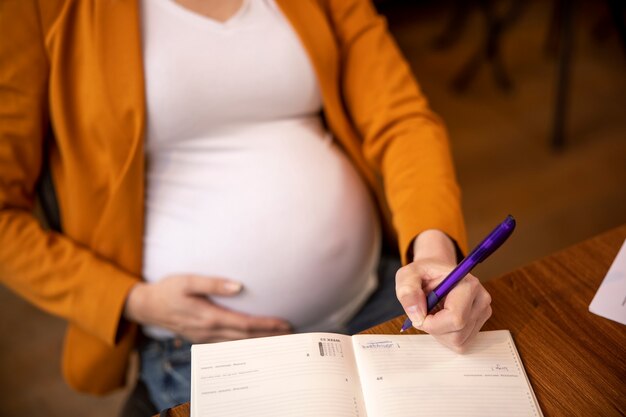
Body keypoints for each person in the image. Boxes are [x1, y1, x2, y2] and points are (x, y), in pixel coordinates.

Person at [0, 0, 492, 415]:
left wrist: (432, 248)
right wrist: (131, 299)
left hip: (381, 302)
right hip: (203, 352)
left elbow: (401, 117)